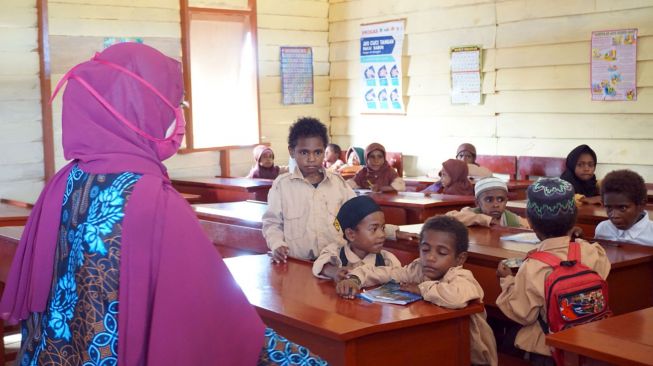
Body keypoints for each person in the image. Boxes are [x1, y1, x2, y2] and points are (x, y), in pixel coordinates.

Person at [0, 43, 326, 365]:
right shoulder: (152, 200)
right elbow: (218, 316)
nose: (175, 118)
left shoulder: (63, 183)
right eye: (171, 105)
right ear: (141, 111)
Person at [336, 216, 498, 366]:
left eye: (441, 252)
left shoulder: (462, 277)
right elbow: (386, 273)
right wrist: (355, 278)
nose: (430, 258)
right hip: (436, 347)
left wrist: (421, 289)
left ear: (460, 259)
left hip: (472, 356)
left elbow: (456, 297)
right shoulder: (419, 268)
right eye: (425, 250)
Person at [496, 178, 610, 364]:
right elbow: (602, 272)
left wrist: (507, 280)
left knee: (508, 341)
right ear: (574, 219)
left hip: (548, 349)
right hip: (589, 342)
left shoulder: (533, 266)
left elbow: (522, 314)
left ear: (530, 223)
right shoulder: (591, 251)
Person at [263, 117, 356, 262]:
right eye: (304, 153)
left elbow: (360, 216)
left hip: (336, 263)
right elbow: (272, 223)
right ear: (292, 152)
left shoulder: (338, 184)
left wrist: (389, 232)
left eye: (318, 152)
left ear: (324, 151)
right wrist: (277, 244)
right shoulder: (281, 186)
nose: (311, 159)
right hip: (298, 264)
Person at [312, 195, 402, 280]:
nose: (382, 234)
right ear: (351, 234)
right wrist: (335, 272)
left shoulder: (387, 261)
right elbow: (319, 265)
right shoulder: (336, 254)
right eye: (373, 229)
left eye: (383, 228)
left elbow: (398, 282)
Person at [595, 169, 653, 246]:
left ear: (641, 205)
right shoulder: (603, 229)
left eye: (622, 208)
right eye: (609, 207)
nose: (614, 215)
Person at [446, 177, 529, 228]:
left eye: (500, 200)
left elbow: (530, 227)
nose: (496, 205)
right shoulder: (470, 213)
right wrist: (485, 219)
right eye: (489, 200)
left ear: (506, 201)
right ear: (477, 203)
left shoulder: (512, 219)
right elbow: (449, 217)